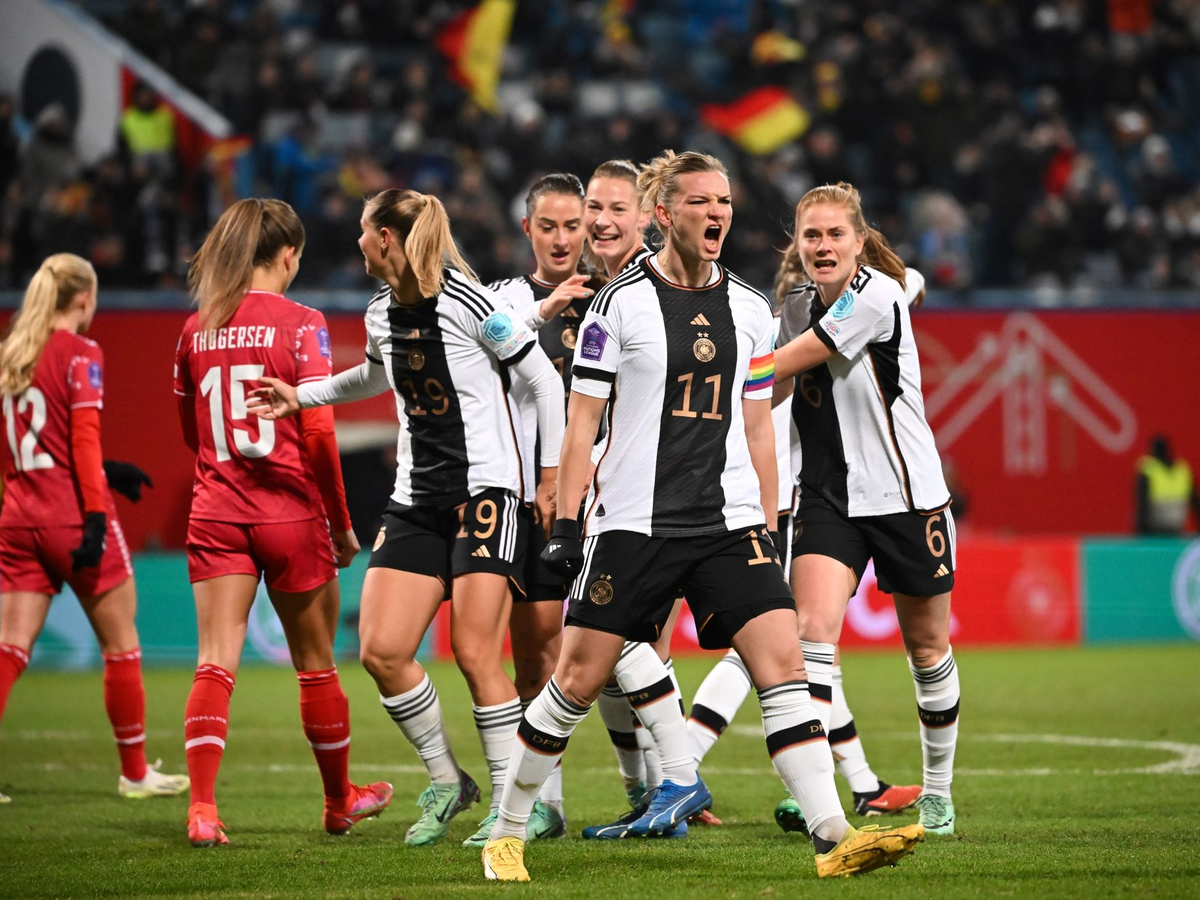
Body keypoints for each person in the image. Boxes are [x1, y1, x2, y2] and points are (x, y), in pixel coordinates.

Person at [480, 151, 923, 882]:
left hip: (728, 524)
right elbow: (582, 420)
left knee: (784, 666)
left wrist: (770, 524)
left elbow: (757, 426)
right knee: (576, 682)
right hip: (634, 525)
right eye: (700, 201)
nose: (717, 213)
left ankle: (833, 836)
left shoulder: (748, 310)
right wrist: (565, 524)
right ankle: (505, 832)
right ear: (664, 214)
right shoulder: (617, 305)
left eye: (724, 201)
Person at [248, 189, 566, 849]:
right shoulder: (379, 313)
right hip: (416, 501)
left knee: (475, 652)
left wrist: (550, 476)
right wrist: (301, 396)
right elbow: (372, 377)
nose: (358, 241)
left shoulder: (471, 304)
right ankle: (449, 780)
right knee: (382, 651)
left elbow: (543, 381)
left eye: (365, 230)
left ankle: (512, 808)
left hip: (487, 495)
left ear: (387, 238)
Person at [174, 199, 391, 847]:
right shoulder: (303, 323)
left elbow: (191, 432)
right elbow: (318, 432)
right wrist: (341, 523)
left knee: (214, 662)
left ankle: (202, 810)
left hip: (217, 510)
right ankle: (339, 802)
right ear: (289, 255)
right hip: (290, 512)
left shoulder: (196, 327)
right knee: (316, 665)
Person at [686, 247, 923, 830]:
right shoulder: (790, 339)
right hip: (787, 503)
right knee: (769, 649)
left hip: (782, 498)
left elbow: (901, 286)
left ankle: (861, 784)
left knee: (810, 650)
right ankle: (682, 769)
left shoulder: (780, 328)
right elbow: (906, 283)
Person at [773, 182, 960, 837]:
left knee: (927, 649)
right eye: (812, 235)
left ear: (858, 241)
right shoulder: (795, 306)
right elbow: (775, 389)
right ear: (798, 244)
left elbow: (788, 363)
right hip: (829, 498)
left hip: (906, 498)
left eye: (835, 234)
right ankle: (819, 790)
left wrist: (714, 369)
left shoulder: (877, 295)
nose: (823, 245)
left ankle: (938, 794)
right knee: (811, 635)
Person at [0, 253, 188, 806]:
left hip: (18, 518)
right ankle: (134, 773)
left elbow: (30, 450)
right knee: (121, 645)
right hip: (72, 517)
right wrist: (97, 517)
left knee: (10, 648)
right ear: (84, 298)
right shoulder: (81, 353)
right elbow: (80, 440)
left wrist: (106, 470)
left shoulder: (13, 355)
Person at [488, 172, 598, 838]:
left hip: (605, 496)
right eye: (548, 226)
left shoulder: (614, 297)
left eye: (572, 226)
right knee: (536, 649)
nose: (561, 239)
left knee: (624, 647)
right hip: (529, 500)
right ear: (527, 228)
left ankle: (664, 781)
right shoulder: (501, 300)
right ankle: (547, 803)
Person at [1135, 435, 1199, 534]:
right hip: (1176, 527)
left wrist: (1139, 532)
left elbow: (1142, 504)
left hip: (1153, 530)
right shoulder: (1182, 471)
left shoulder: (1148, 469)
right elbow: (1196, 503)